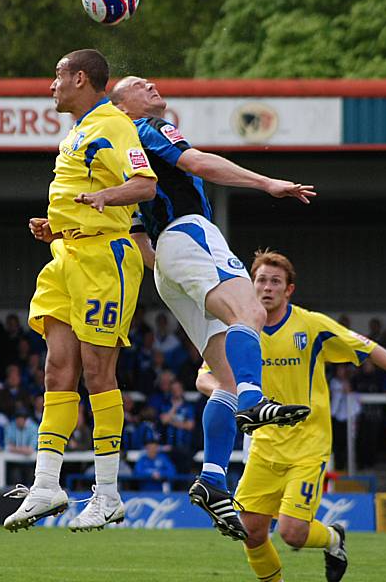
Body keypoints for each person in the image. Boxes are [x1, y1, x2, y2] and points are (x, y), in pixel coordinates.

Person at [109, 76, 314, 539]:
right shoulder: (146, 129)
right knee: (253, 314)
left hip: (164, 264)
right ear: (123, 108)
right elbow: (199, 162)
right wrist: (268, 183)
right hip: (189, 232)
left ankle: (214, 479)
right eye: (141, 86)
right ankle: (254, 401)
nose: (152, 86)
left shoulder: (122, 158)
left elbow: (138, 232)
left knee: (222, 377)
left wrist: (171, 269)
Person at [196, 249, 386, 582]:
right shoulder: (240, 331)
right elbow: (203, 376)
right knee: (250, 533)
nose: (267, 287)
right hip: (264, 445)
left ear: (289, 289)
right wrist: (228, 390)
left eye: (275, 282)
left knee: (293, 533)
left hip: (308, 445)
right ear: (250, 285)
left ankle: (334, 538)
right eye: (261, 280)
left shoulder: (310, 325)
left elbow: (367, 347)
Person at [4, 49, 157, 533]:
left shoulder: (113, 123)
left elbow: (144, 185)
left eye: (57, 76)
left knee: (97, 372)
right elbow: (85, 193)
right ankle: (47, 485)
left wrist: (104, 198)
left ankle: (107, 494)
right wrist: (57, 225)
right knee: (56, 370)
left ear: (80, 78)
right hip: (66, 256)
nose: (51, 85)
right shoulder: (78, 130)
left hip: (103, 260)